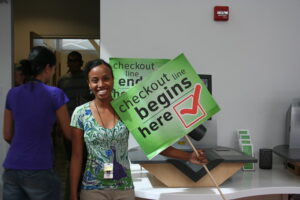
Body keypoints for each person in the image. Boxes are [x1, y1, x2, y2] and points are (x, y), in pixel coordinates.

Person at [69, 59, 207, 200]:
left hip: (124, 189)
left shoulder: (127, 110)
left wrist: (189, 157)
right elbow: (77, 156)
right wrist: (73, 194)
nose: (101, 84)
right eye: (95, 80)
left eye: (106, 78)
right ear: (88, 83)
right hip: (93, 189)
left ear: (113, 80)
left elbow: (155, 144)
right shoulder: (80, 113)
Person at [2, 46, 71, 200]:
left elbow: (7, 134)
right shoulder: (55, 94)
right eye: (53, 68)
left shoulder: (13, 93)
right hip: (40, 167)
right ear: (48, 68)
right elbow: (68, 133)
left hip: (13, 167)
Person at [57, 51, 92, 160]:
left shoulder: (88, 79)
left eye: (76, 61)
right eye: (71, 61)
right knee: (71, 156)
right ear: (67, 63)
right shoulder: (62, 80)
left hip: (87, 125)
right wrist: (59, 125)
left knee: (86, 157)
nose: (73, 63)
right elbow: (58, 105)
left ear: (81, 62)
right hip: (68, 125)